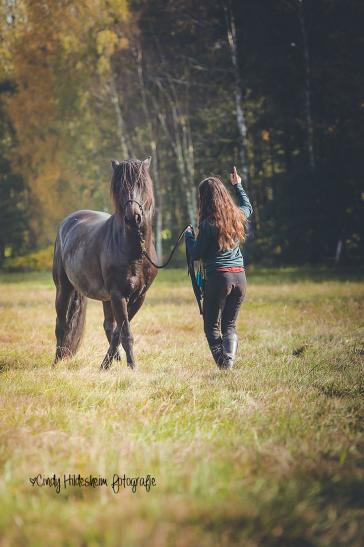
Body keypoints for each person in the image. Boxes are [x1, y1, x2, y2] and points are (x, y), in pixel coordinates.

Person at [185, 167, 253, 369]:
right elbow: (248, 206)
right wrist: (238, 185)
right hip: (240, 278)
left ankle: (225, 366)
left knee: (212, 328)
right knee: (229, 326)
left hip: (219, 279)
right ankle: (228, 364)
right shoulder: (238, 216)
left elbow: (196, 253)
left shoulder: (207, 224)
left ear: (204, 199)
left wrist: (189, 236)